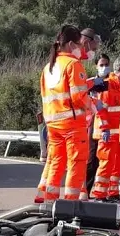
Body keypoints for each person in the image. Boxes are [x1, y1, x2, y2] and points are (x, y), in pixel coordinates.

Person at [36, 24, 92, 201]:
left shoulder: (48, 67)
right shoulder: (73, 64)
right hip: (72, 124)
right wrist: (92, 105)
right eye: (79, 44)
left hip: (53, 124)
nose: (81, 48)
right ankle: (70, 205)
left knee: (56, 163)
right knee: (76, 163)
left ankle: (50, 201)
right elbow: (78, 97)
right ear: (70, 44)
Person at [92, 57, 120, 203]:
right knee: (106, 163)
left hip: (119, 133)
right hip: (108, 133)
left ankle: (113, 193)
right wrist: (105, 128)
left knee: (117, 166)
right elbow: (101, 109)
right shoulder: (107, 84)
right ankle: (99, 194)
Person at [86, 54, 111, 195]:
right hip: (94, 125)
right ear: (96, 66)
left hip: (111, 127)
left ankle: (104, 193)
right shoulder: (90, 83)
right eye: (101, 65)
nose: (104, 67)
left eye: (106, 64)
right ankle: (86, 189)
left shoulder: (114, 83)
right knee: (92, 160)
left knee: (108, 162)